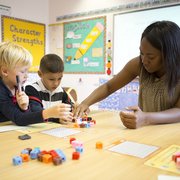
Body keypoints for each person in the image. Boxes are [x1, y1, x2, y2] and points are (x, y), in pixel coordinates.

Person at [74, 20, 180, 129]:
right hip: (146, 131)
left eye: (151, 57)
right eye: (141, 53)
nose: (144, 60)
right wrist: (85, 103)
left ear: (169, 55)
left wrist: (146, 118)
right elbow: (108, 87)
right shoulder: (138, 64)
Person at [0, 41, 72, 126]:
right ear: (5, 71)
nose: (26, 76)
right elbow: (19, 118)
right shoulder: (2, 91)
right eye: (23, 71)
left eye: (27, 71)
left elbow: (27, 117)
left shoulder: (18, 87)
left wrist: (24, 107)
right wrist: (48, 113)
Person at [25, 53, 74, 124]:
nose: (56, 83)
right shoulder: (32, 89)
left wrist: (74, 108)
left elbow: (69, 106)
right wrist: (57, 119)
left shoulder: (61, 91)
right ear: (40, 74)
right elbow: (37, 112)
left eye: (59, 78)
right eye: (51, 79)